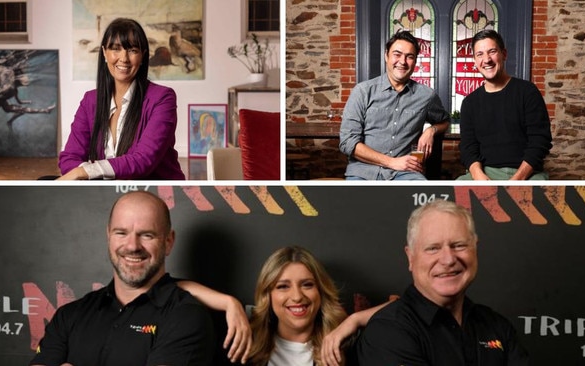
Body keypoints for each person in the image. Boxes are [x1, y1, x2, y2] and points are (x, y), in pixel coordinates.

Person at [29, 191, 217, 365]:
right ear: (108, 236)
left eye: (146, 235)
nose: (132, 246)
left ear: (168, 242)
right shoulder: (69, 315)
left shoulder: (186, 317)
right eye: (121, 233)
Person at [357, 200, 529, 365]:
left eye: (459, 245)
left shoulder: (497, 325)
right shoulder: (387, 331)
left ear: (475, 249)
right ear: (410, 257)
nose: (448, 260)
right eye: (433, 248)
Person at [58, 18, 185, 180]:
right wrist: (87, 173)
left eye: (132, 50)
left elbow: (143, 160)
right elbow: (69, 157)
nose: (124, 58)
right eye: (116, 49)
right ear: (104, 52)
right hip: (107, 193)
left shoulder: (162, 98)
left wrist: (85, 172)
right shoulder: (90, 100)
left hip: (155, 194)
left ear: (143, 56)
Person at [248, 246, 390, 366]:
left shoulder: (347, 345)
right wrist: (230, 304)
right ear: (268, 295)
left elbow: (405, 307)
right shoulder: (245, 343)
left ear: (321, 291)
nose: (297, 296)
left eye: (307, 285)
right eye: (283, 286)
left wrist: (355, 319)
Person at [339, 30, 450, 180]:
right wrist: (392, 162)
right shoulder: (363, 92)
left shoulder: (427, 96)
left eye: (409, 57)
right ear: (386, 56)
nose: (402, 62)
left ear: (415, 61)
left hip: (406, 173)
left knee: (425, 196)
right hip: (363, 172)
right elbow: (348, 142)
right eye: (397, 54)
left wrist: (431, 130)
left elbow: (444, 121)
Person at [457, 29, 552, 180]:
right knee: (455, 192)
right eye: (479, 54)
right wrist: (478, 175)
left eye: (492, 51)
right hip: (486, 172)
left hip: (526, 172)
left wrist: (517, 180)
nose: (486, 59)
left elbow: (540, 141)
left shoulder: (527, 92)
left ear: (504, 54)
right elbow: (468, 147)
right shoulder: (469, 103)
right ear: (475, 61)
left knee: (542, 197)